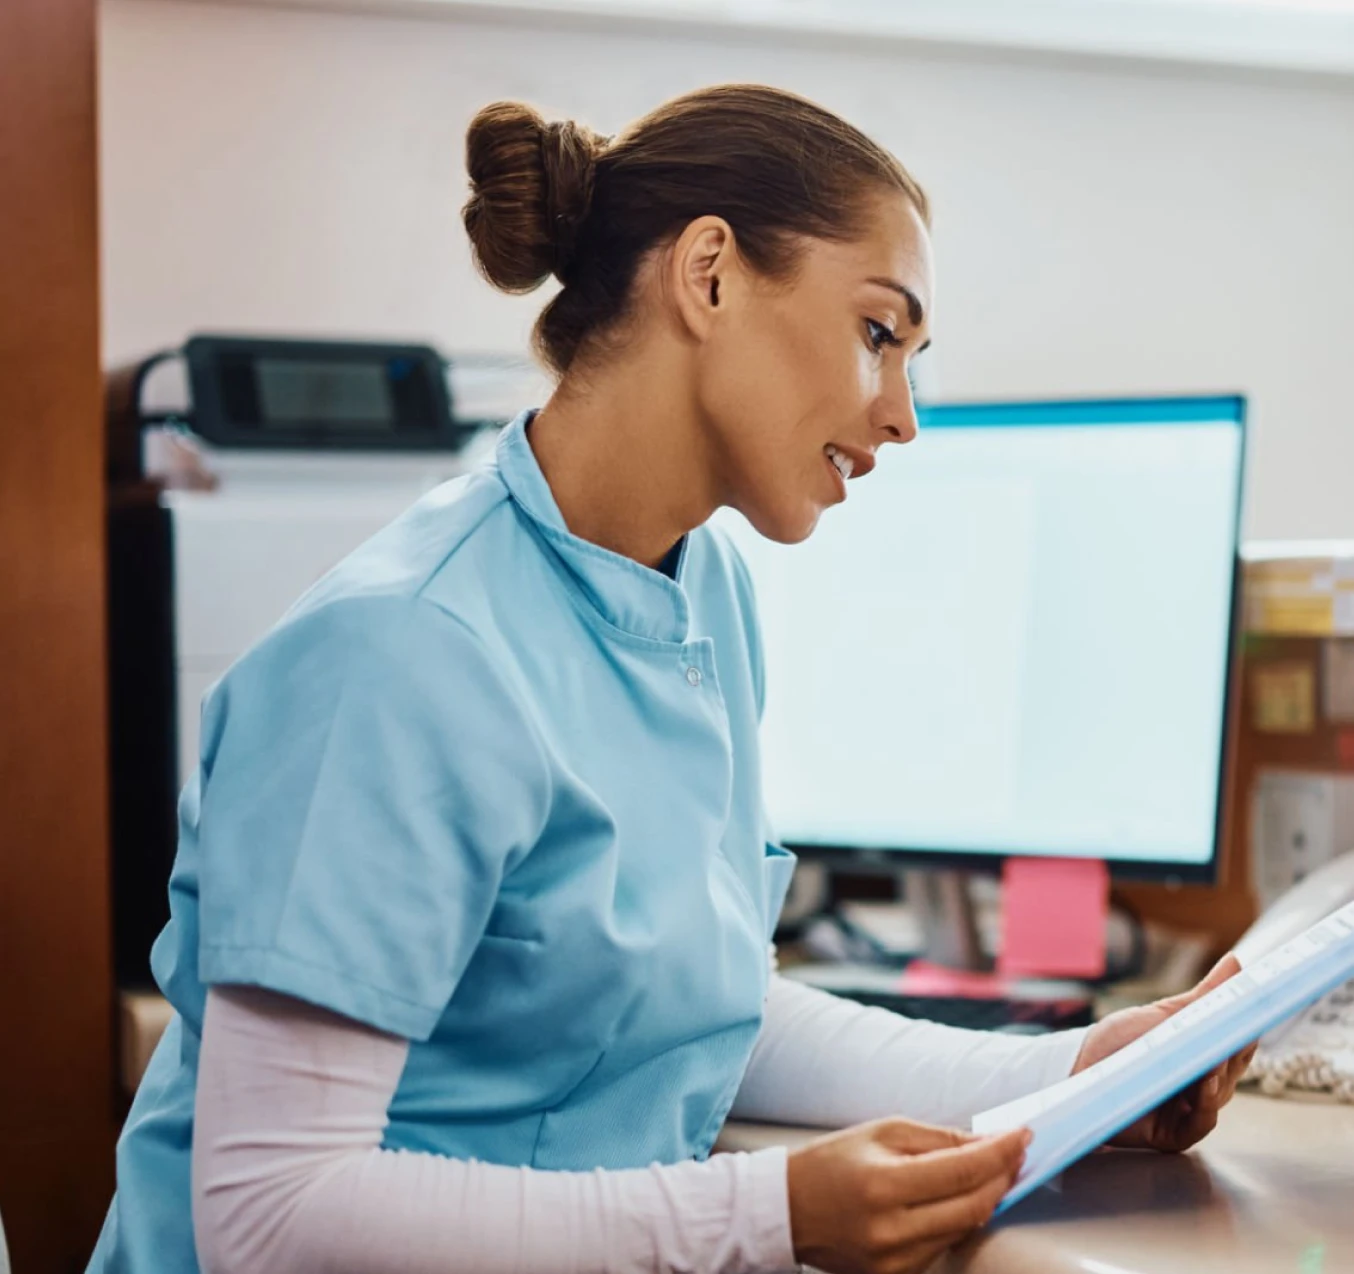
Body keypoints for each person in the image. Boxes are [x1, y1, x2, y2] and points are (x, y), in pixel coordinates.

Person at [87, 85, 1255, 1274]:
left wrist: (1065, 1074)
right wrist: (764, 1214)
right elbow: (270, 1211)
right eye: (876, 333)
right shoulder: (400, 650)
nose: (901, 415)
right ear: (707, 275)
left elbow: (700, 1013)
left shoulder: (702, 599)